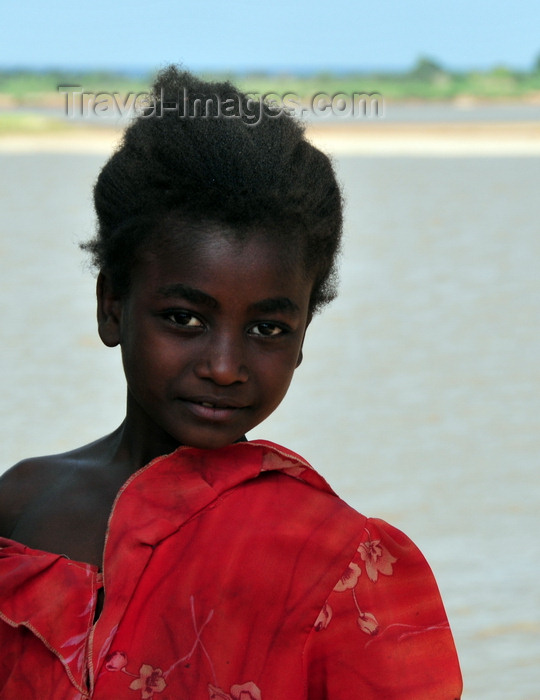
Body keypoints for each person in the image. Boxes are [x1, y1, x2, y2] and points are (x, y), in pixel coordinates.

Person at [0, 67, 462, 699]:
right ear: (112, 306)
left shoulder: (341, 563)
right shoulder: (24, 505)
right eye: (184, 318)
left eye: (268, 328)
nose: (223, 366)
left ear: (303, 337)